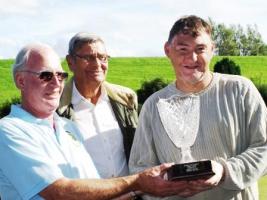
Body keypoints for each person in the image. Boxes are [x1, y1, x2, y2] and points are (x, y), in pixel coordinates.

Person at [0, 43, 190, 200]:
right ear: (21, 81)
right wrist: (138, 182)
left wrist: (161, 184)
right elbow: (59, 191)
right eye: (46, 75)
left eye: (60, 75)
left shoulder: (68, 127)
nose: (57, 83)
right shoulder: (8, 131)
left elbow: (94, 190)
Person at [129, 15, 267, 200]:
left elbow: (264, 147)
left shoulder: (240, 90)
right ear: (167, 50)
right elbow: (140, 168)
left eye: (200, 49)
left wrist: (224, 171)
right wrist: (164, 187)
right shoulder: (153, 106)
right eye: (182, 49)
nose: (192, 58)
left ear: (212, 49)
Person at [57, 32, 138, 179]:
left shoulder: (126, 99)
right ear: (70, 62)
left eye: (103, 58)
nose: (97, 64)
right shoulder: (57, 108)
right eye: (88, 58)